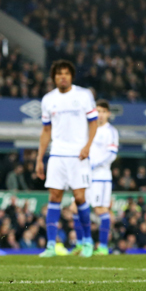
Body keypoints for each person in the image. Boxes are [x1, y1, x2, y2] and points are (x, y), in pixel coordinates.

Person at [36, 60, 98, 258]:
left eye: (66, 73)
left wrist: (87, 146)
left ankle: (87, 241)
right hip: (57, 154)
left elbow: (94, 123)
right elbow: (46, 130)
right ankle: (50, 246)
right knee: (54, 197)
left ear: (71, 76)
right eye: (58, 74)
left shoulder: (83, 95)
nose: (62, 76)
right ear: (54, 77)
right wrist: (39, 158)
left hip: (78, 154)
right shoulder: (48, 99)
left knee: (79, 198)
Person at [72, 99, 119, 256]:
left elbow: (111, 154)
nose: (100, 114)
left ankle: (103, 247)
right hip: (86, 176)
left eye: (103, 112)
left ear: (108, 114)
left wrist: (93, 164)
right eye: (98, 111)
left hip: (101, 177)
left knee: (100, 210)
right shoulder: (89, 130)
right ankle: (81, 243)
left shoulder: (110, 131)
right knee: (74, 208)